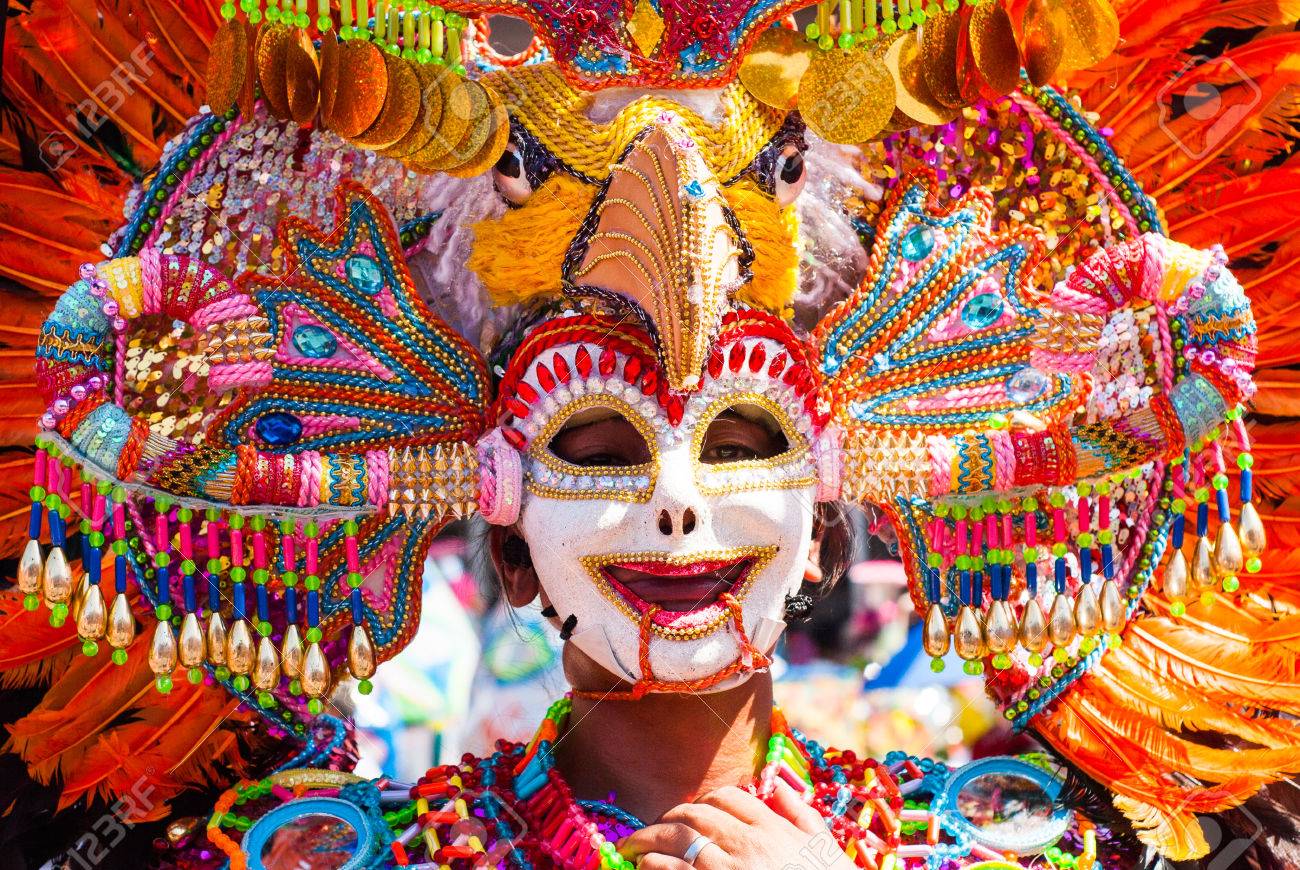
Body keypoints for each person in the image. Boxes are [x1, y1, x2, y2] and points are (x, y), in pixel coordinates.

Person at [2, 0, 1300, 868]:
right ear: (509, 546)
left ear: (824, 530)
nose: (677, 505)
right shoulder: (325, 850)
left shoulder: (1008, 847)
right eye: (600, 449)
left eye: (740, 441)